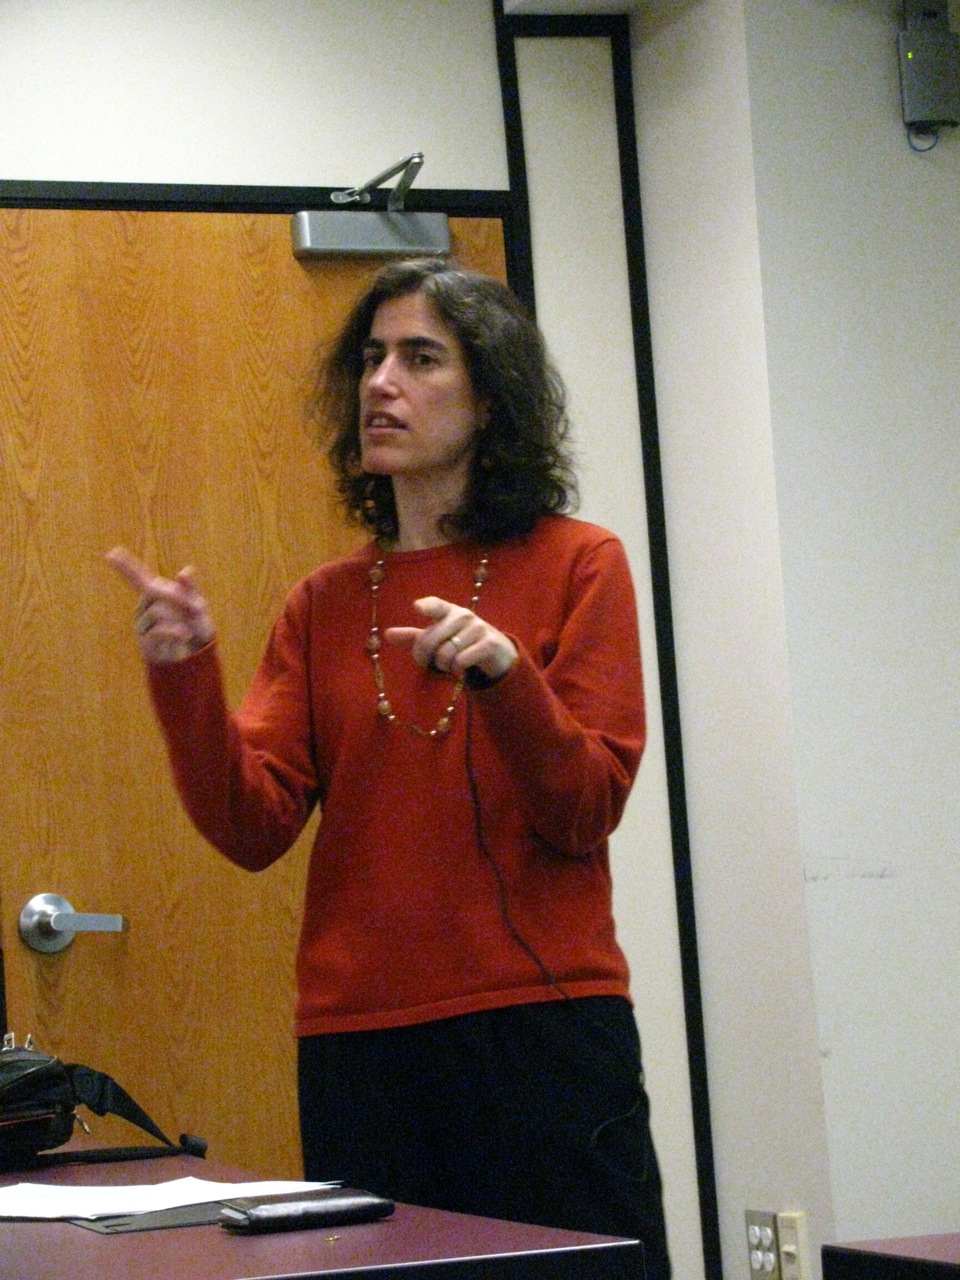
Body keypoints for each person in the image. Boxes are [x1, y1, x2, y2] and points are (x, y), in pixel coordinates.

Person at [107, 258, 671, 1278]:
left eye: (421, 358)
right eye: (371, 358)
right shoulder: (325, 601)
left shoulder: (581, 561)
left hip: (541, 1030)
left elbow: (585, 807)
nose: (380, 383)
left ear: (490, 398)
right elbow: (251, 826)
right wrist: (184, 674)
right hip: (361, 1046)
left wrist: (506, 677)